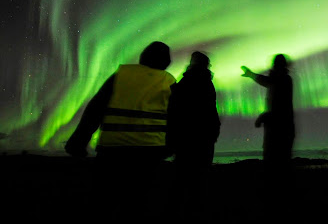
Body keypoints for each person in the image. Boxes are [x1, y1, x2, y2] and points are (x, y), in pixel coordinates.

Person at [64, 41, 176, 219]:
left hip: (112, 149)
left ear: (143, 57)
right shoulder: (169, 81)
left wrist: (79, 140)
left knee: (102, 201)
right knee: (139, 203)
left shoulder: (122, 75)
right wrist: (170, 146)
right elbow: (175, 117)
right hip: (149, 151)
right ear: (166, 61)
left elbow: (96, 107)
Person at [166, 51, 220, 220]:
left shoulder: (185, 83)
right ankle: (195, 215)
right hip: (205, 138)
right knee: (199, 182)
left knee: (181, 181)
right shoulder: (207, 83)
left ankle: (178, 215)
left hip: (186, 139)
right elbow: (211, 112)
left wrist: (171, 139)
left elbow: (174, 110)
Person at [241, 54, 295, 174]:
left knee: (276, 164)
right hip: (280, 129)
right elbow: (268, 82)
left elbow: (280, 108)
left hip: (280, 130)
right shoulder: (281, 80)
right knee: (278, 164)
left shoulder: (283, 80)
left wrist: (263, 117)